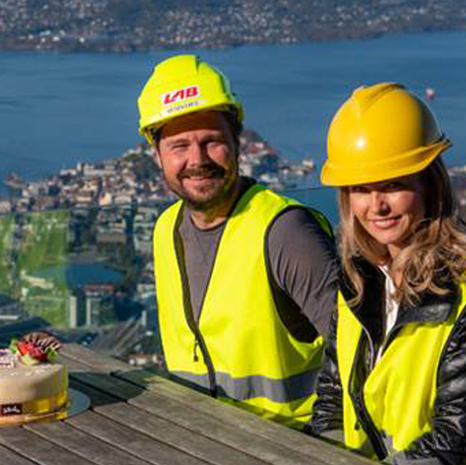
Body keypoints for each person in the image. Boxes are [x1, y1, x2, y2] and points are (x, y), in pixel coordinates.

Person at [309, 83, 466, 464]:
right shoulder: (360, 280)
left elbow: (453, 443)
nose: (376, 206)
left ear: (431, 185)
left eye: (394, 185)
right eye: (361, 189)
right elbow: (333, 397)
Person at [137, 55, 340, 429]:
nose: (197, 160)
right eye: (179, 146)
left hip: (293, 446)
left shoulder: (284, 231)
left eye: (212, 142)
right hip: (202, 440)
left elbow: (362, 353)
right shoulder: (165, 230)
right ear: (157, 155)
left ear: (237, 143)